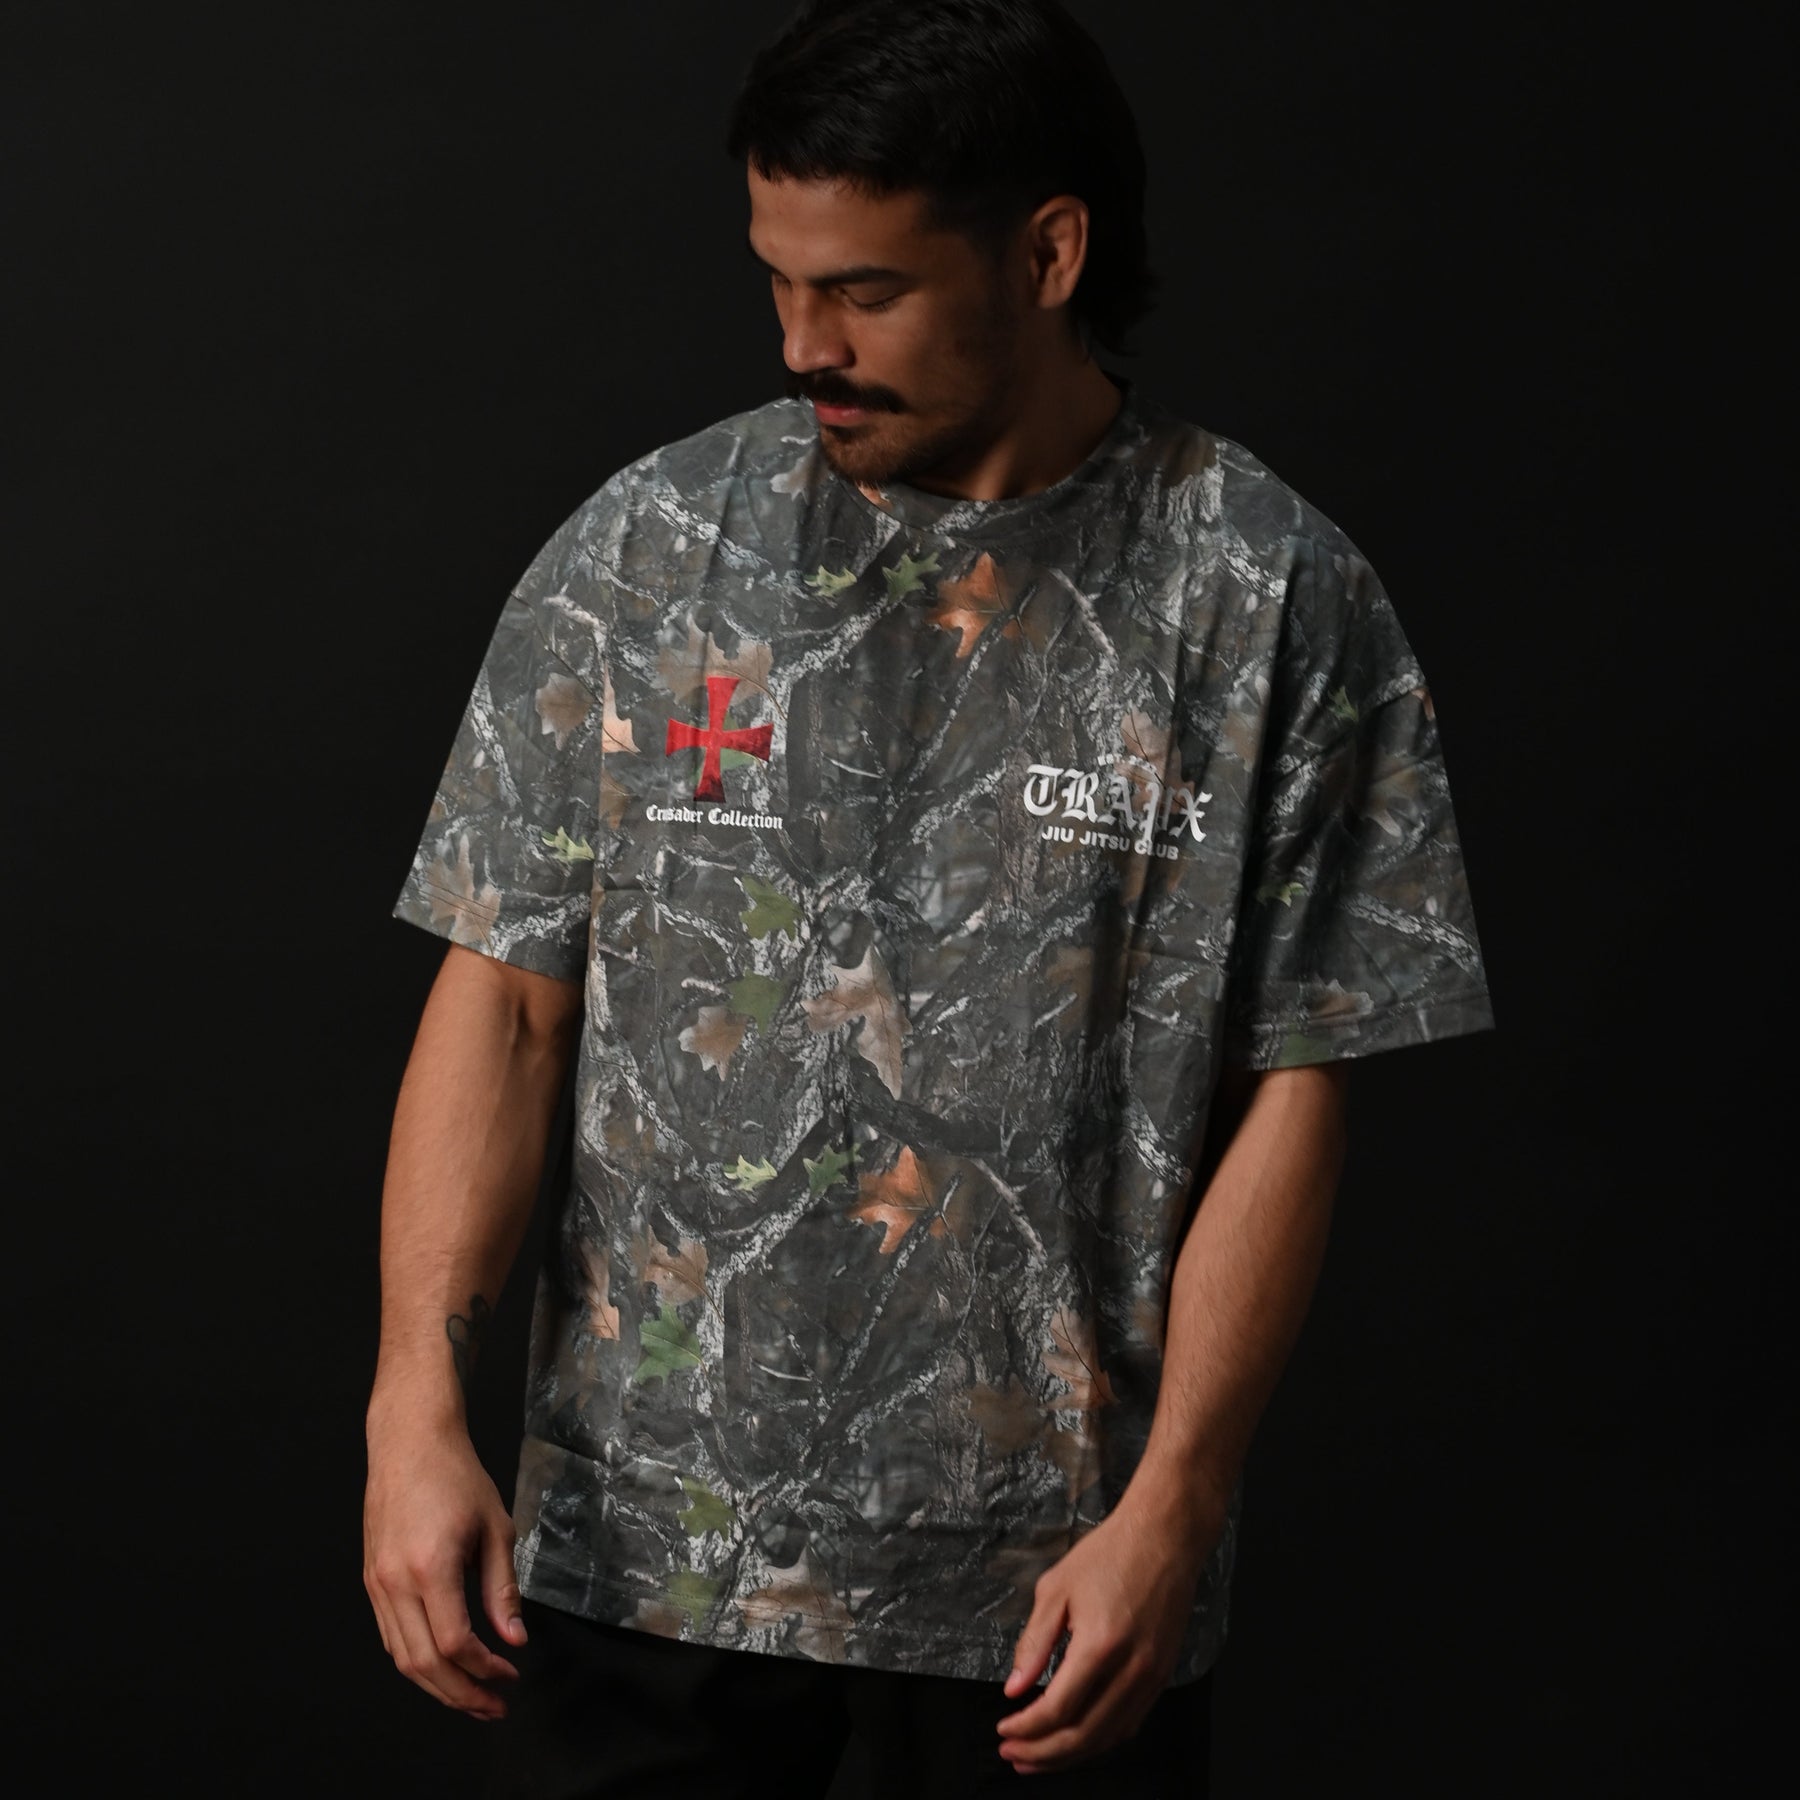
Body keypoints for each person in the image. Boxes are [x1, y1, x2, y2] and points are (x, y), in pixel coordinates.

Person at [362, 2, 1496, 1792]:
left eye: (866, 292)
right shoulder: (648, 553)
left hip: (1048, 1614)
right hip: (642, 1585)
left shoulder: (1267, 597)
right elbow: (505, 1000)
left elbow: (1297, 1090)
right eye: (777, 279)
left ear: (1050, 253)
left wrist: (1178, 1506)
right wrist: (413, 1407)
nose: (802, 344)